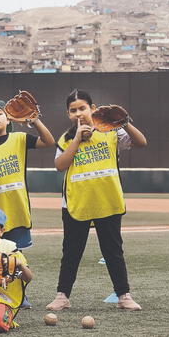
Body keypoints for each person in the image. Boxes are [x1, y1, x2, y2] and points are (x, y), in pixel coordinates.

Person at [46, 90, 147, 312]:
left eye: (82, 108)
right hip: (76, 203)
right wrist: (77, 139)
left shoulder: (111, 132)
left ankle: (124, 295)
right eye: (73, 110)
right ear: (68, 114)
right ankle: (62, 296)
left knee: (113, 251)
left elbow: (141, 142)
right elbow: (60, 165)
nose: (78, 113)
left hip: (107, 201)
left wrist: (125, 122)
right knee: (71, 252)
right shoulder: (65, 138)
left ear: (93, 109)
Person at [0, 96, 55, 249]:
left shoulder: (19, 138)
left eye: (0, 113)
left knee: (16, 261)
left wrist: (35, 121)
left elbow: (49, 141)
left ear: (8, 120)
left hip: (18, 212)